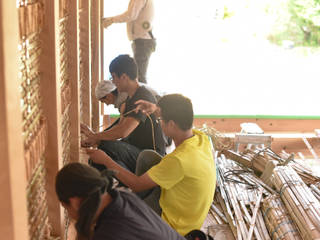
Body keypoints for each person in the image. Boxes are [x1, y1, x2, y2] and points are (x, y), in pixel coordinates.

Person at [86, 94, 216, 236]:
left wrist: (105, 160)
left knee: (119, 220)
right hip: (188, 213)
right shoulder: (201, 139)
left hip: (174, 226)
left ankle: (140, 215)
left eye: (161, 119)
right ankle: (138, 204)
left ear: (171, 124)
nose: (159, 122)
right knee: (147, 157)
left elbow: (136, 184)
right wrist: (155, 109)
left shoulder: (179, 160)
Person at [55, 162, 186, 240]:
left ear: (75, 202)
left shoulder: (108, 234)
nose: (69, 215)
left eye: (66, 208)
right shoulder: (123, 196)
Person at [81, 54, 165, 174]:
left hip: (151, 157)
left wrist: (96, 136)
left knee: (106, 147)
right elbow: (119, 126)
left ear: (124, 77)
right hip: (138, 150)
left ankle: (131, 185)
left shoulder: (141, 97)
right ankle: (107, 189)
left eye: (114, 77)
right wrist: (96, 137)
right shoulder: (131, 98)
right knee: (98, 158)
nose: (113, 82)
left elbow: (123, 131)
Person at [102, 0, 156, 83]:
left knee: (139, 77)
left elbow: (131, 15)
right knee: (139, 75)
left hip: (142, 40)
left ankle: (143, 96)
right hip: (144, 40)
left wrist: (111, 20)